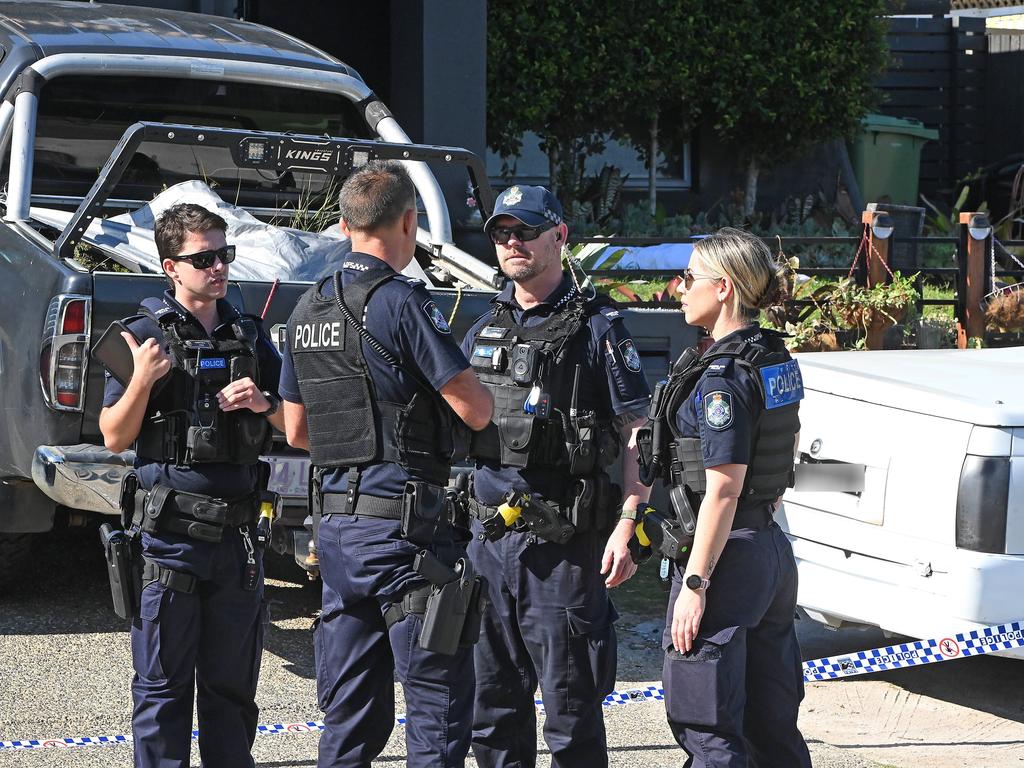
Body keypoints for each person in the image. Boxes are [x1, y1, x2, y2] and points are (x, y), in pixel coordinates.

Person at [278, 160, 493, 768]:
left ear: (344, 225)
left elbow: (297, 431)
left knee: (348, 716)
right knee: (437, 710)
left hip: (337, 535)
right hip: (406, 535)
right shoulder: (400, 303)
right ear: (409, 221)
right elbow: (474, 410)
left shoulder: (306, 308)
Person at [460, 185, 652, 768]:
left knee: (571, 716)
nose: (512, 243)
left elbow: (637, 434)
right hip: (491, 543)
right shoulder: (482, 326)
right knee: (490, 714)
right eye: (501, 233)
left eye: (525, 230)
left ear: (560, 236)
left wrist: (629, 522)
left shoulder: (598, 329)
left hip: (564, 551)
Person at [99, 202, 285, 768]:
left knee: (232, 693)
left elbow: (296, 426)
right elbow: (113, 437)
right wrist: (143, 381)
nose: (218, 267)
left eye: (223, 254)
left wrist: (264, 402)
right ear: (170, 267)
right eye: (202, 257)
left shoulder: (250, 334)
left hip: (237, 540)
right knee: (163, 690)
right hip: (171, 540)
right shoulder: (142, 337)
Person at [638, 227, 812, 767]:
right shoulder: (772, 357)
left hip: (725, 556)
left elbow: (723, 489)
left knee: (707, 722)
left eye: (690, 277)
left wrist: (695, 582)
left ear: (724, 288)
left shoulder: (722, 379)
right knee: (770, 721)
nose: (678, 287)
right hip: (767, 549)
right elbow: (783, 449)